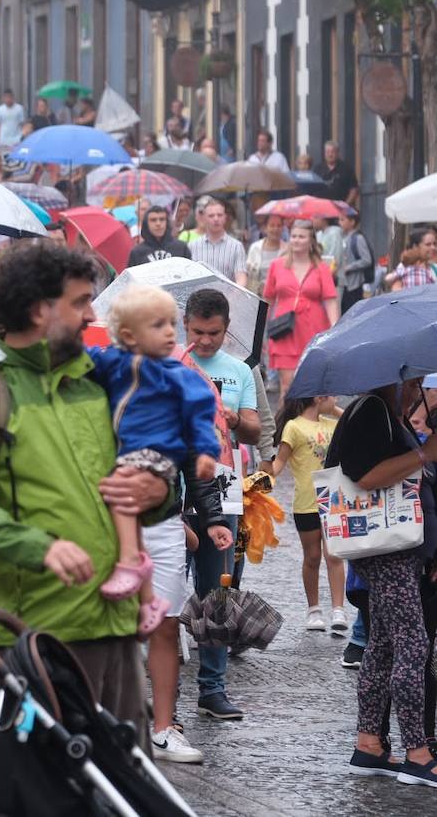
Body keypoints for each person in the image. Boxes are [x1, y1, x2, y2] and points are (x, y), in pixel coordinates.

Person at [0, 241, 177, 793]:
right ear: (38, 310)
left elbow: (140, 471)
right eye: (80, 302)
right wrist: (38, 547)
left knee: (122, 795)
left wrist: (160, 489)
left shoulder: (97, 379)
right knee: (40, 798)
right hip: (34, 639)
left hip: (115, 628)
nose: (92, 315)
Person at [88, 286, 221, 634]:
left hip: (158, 455)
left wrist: (207, 451)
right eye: (158, 325)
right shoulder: (116, 365)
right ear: (129, 336)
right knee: (124, 501)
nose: (169, 333)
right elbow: (85, 361)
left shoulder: (178, 375)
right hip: (127, 454)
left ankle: (130, 560)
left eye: (172, 324)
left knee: (120, 491)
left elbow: (201, 413)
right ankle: (150, 598)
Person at [329, 379, 437, 787]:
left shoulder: (385, 413)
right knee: (413, 643)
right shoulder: (373, 410)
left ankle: (369, 745)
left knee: (384, 645)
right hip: (386, 549)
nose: (415, 390)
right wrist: (425, 453)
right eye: (412, 382)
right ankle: (417, 754)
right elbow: (364, 476)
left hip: (396, 548)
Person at [183, 288, 261, 720]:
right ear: (185, 325)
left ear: (227, 329)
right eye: (198, 331)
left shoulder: (239, 370)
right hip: (175, 486)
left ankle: (212, 687)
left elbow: (253, 428)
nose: (206, 340)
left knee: (216, 589)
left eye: (214, 333)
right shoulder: (172, 363)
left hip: (223, 487)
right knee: (161, 589)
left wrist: (235, 420)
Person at [270, 395, 346, 633]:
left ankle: (338, 609)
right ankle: (314, 609)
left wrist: (333, 409)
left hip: (333, 501)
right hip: (306, 502)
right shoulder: (294, 427)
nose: (336, 399)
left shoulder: (333, 424)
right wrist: (262, 478)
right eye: (332, 395)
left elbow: (354, 423)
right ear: (318, 397)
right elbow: (280, 462)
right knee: (312, 557)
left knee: (334, 555)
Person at [263, 221, 339, 398]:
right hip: (284, 331)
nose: (296, 240)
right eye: (294, 236)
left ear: (311, 241)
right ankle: (286, 418)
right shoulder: (277, 265)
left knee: (313, 389)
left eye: (301, 237)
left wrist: (335, 329)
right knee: (287, 387)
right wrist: (260, 332)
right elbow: (268, 299)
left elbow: (330, 300)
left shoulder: (321, 268)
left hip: (313, 331)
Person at [188, 199, 247, 286]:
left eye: (219, 215)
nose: (216, 219)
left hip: (228, 294)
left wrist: (235, 294)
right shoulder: (192, 246)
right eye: (211, 216)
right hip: (199, 294)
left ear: (225, 217)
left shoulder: (236, 247)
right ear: (204, 218)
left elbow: (241, 279)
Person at [338, 208, 373, 313]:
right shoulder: (343, 237)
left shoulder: (358, 238)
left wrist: (349, 267)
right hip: (344, 283)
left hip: (354, 284)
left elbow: (367, 260)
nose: (339, 223)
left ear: (352, 222)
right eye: (339, 220)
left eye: (342, 220)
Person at [245, 214, 285, 295]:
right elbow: (248, 276)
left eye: (279, 226)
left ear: (283, 228)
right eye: (272, 225)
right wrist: (259, 288)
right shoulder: (255, 248)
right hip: (257, 295)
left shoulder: (288, 250)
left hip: (280, 296)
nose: (275, 229)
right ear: (265, 228)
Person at [389, 227, 437, 291]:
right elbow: (396, 289)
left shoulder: (435, 268)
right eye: (428, 244)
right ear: (415, 246)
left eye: (435, 244)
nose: (433, 247)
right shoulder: (405, 266)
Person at [320, 140, 359, 206]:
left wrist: (345, 205)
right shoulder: (317, 169)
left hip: (341, 208)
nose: (330, 155)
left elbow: (354, 189)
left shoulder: (347, 169)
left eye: (332, 152)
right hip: (323, 208)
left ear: (338, 153)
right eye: (327, 152)